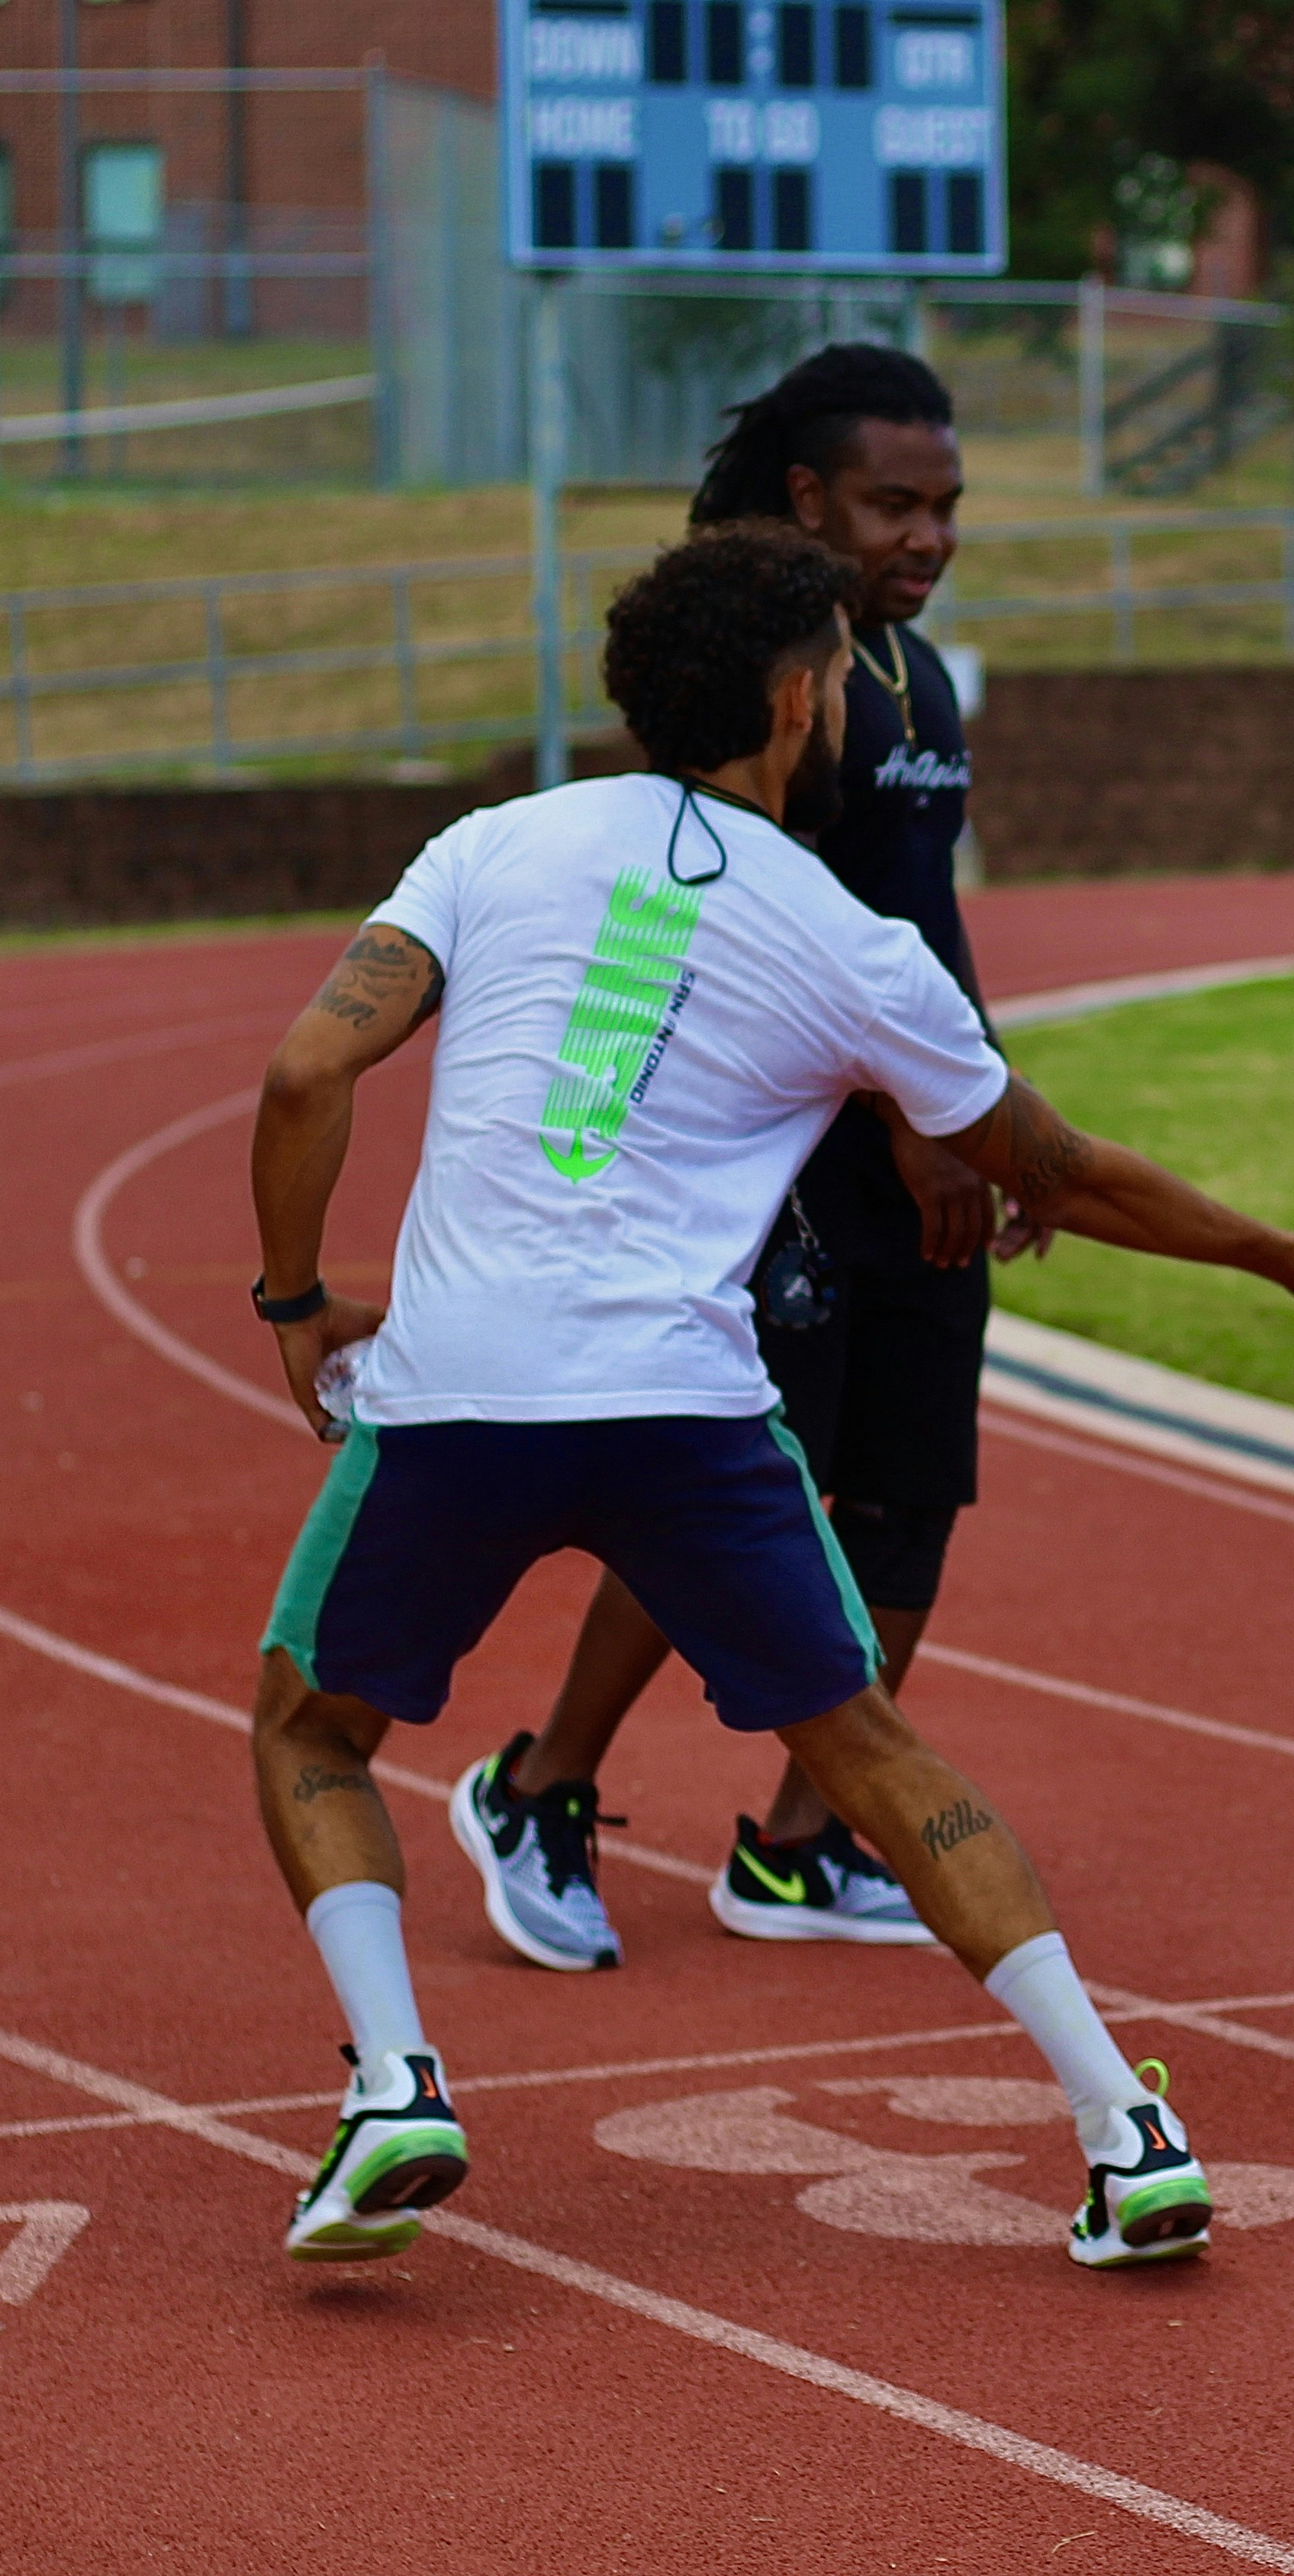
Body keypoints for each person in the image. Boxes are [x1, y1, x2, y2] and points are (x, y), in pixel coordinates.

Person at [247, 520, 1294, 2266]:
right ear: (797, 701)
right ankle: (1127, 2127)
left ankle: (398, 2086)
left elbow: (302, 1071)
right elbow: (1059, 1167)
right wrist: (1280, 1259)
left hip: (460, 1394)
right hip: (684, 1409)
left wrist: (291, 1303)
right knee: (864, 1750)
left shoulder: (486, 847)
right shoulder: (861, 943)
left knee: (308, 1730)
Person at [447, 344, 1002, 1973]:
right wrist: (913, 1130)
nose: (930, 535)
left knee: (911, 1498)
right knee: (724, 1497)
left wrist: (984, 1116)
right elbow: (726, 937)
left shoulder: (922, 684)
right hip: (785, 1176)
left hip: (921, 1163)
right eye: (897, 505)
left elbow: (927, 932)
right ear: (808, 499)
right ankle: (543, 1785)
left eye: (950, 506)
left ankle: (805, 1846)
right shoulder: (750, 703)